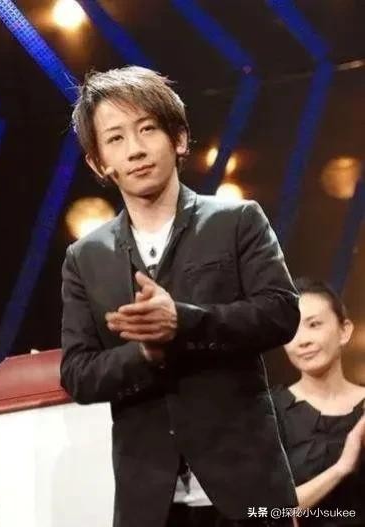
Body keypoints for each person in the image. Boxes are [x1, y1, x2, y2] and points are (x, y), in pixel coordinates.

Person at [60, 66, 300, 527]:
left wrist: (184, 322)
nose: (135, 149)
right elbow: (78, 374)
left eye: (147, 128)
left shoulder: (237, 220)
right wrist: (145, 353)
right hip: (150, 502)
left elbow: (280, 312)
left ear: (180, 139)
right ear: (98, 163)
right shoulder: (84, 258)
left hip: (247, 489)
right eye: (115, 138)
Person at [272, 278, 365, 526]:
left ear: (344, 331)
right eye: (291, 330)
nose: (302, 340)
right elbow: (265, 512)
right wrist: (341, 468)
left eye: (314, 325)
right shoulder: (269, 412)